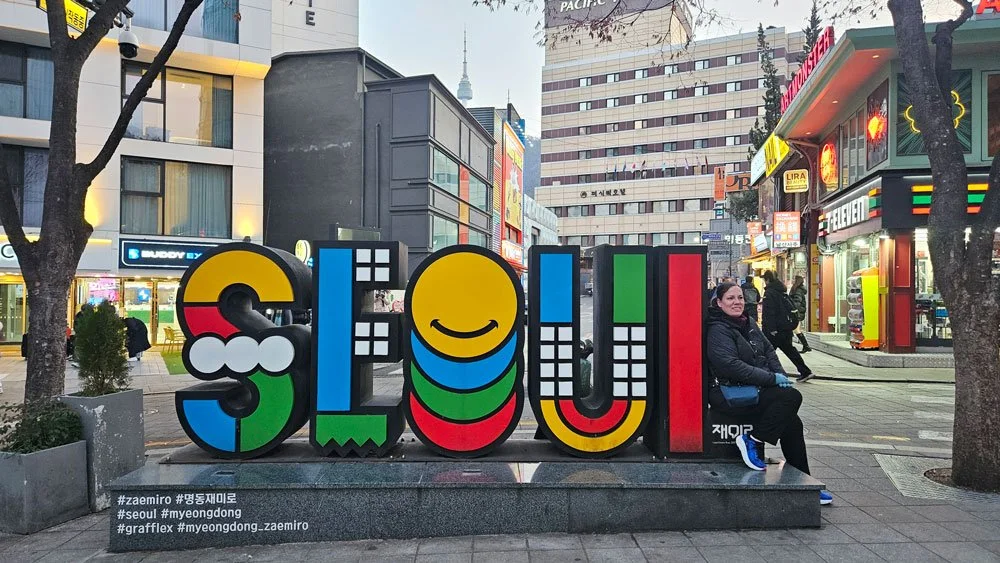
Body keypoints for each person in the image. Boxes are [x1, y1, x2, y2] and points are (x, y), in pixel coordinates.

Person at [705, 282, 832, 505]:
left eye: (740, 298)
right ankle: (752, 439)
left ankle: (804, 482)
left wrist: (780, 376)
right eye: (730, 298)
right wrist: (771, 379)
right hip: (729, 392)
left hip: (755, 389)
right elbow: (730, 365)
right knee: (793, 398)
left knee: (792, 422)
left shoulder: (749, 323)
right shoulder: (718, 329)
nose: (737, 302)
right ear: (719, 303)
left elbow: (769, 352)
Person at [761, 271, 814, 383]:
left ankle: (769, 375)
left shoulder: (769, 293)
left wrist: (771, 329)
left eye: (764, 279)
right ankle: (805, 372)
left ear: (767, 280)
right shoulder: (781, 291)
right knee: (790, 351)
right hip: (786, 327)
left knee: (766, 353)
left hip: (775, 330)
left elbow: (769, 312)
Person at [788, 275, 812, 353]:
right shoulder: (797, 289)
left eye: (794, 279)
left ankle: (806, 346)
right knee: (795, 330)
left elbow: (797, 301)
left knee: (796, 330)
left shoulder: (798, 290)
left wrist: (792, 309)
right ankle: (806, 346)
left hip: (796, 313)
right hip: (797, 312)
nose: (792, 280)